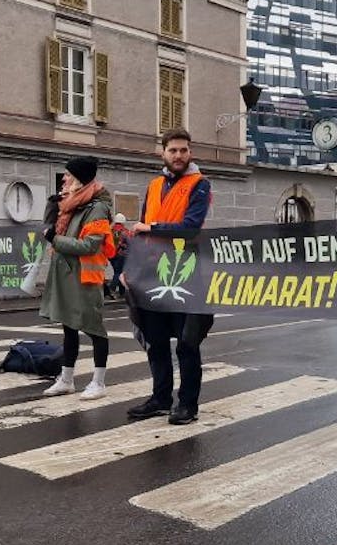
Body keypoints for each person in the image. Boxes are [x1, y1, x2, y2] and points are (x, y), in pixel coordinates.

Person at [124, 129, 213, 425]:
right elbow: (138, 232)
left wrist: (152, 228)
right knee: (157, 341)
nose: (179, 156)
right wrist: (128, 270)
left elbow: (190, 228)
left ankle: (188, 405)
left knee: (187, 344)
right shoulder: (153, 186)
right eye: (173, 150)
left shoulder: (200, 184)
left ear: (190, 153)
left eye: (184, 150)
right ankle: (161, 398)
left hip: (185, 274)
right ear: (162, 153)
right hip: (151, 274)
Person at [40, 157, 115, 400]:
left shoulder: (97, 208)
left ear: (80, 179)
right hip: (68, 275)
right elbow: (52, 229)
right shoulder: (72, 205)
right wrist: (53, 207)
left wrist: (55, 239)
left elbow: (89, 246)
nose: (64, 179)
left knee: (95, 330)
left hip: (86, 278)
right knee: (68, 327)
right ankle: (67, 379)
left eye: (69, 175)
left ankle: (98, 382)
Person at [105, 213, 128, 300]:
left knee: (117, 272)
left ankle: (122, 292)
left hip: (111, 255)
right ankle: (111, 289)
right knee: (119, 273)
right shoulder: (124, 231)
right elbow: (130, 243)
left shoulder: (110, 230)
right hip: (121, 255)